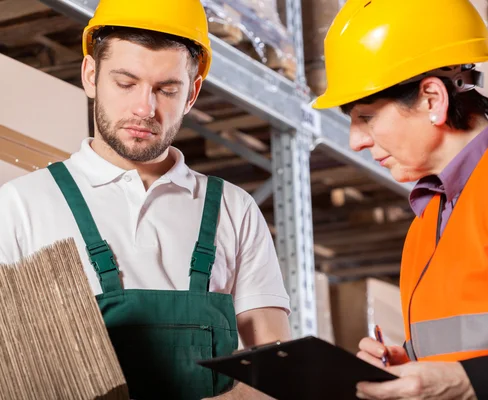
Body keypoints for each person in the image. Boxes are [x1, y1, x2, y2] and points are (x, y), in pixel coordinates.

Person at [0, 0, 290, 398]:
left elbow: (274, 368)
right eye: (125, 83)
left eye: (166, 90)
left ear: (192, 94)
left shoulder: (232, 210)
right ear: (90, 75)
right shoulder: (20, 206)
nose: (144, 108)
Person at [313, 0, 488, 398]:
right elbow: (476, 346)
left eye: (366, 117)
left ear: (432, 99)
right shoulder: (427, 221)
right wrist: (411, 370)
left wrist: (467, 382)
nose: (355, 141)